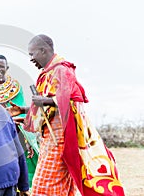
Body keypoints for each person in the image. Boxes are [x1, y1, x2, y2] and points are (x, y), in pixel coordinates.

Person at [8, 34, 125, 195]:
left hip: (60, 139)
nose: (31, 59)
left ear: (43, 50)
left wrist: (45, 101)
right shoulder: (48, 73)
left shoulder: (62, 70)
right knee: (56, 185)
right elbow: (48, 107)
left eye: (32, 54)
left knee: (44, 186)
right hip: (50, 139)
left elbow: (69, 99)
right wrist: (24, 110)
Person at [0, 54, 39, 188]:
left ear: (7, 68)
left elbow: (20, 106)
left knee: (23, 160)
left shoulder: (15, 86)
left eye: (1, 66)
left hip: (16, 130)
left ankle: (24, 188)